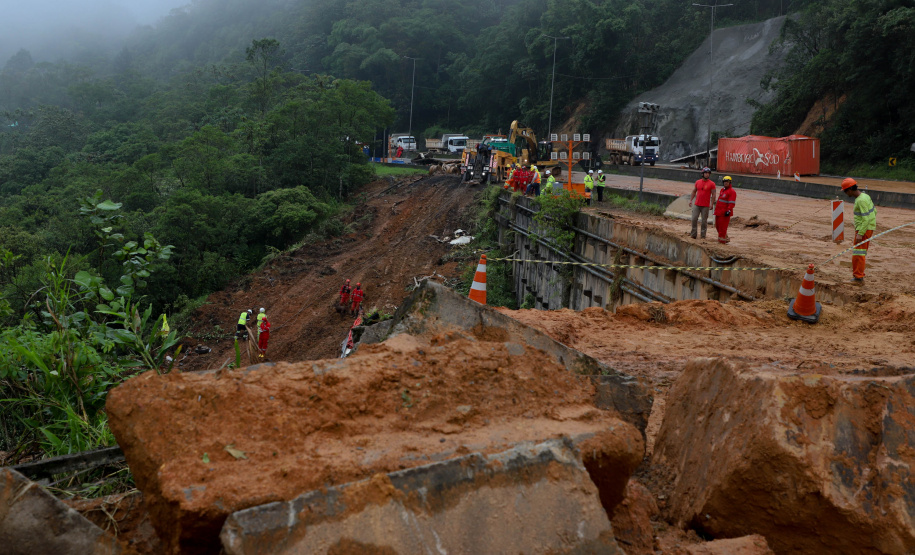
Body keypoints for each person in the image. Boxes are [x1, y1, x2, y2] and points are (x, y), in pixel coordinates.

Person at [841, 178, 876, 285]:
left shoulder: (860, 200)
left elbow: (866, 219)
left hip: (863, 230)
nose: (846, 194)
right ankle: (858, 276)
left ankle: (858, 278)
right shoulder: (865, 196)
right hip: (868, 229)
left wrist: (860, 233)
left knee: (858, 254)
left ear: (850, 190)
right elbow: (874, 211)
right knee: (860, 254)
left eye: (846, 191)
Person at [689, 167, 717, 239]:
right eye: (706, 173)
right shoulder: (697, 182)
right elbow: (694, 191)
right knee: (694, 219)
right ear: (702, 174)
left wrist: (711, 204)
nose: (707, 175)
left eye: (708, 173)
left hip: (705, 206)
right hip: (697, 204)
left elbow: (713, 194)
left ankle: (703, 235)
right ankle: (693, 234)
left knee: (704, 221)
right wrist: (691, 200)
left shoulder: (712, 184)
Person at [714, 176, 736, 244]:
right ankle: (725, 238)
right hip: (718, 212)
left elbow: (731, 202)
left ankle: (721, 241)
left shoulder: (732, 192)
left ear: (730, 182)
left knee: (722, 228)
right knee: (717, 226)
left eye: (727, 182)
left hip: (724, 213)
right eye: (725, 182)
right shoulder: (722, 190)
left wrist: (728, 210)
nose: (726, 183)